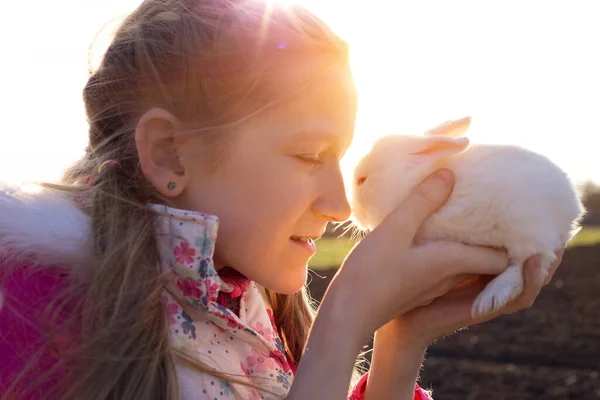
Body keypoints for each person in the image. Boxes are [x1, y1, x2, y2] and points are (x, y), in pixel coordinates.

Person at [0, 1, 565, 399]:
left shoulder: (240, 304)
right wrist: (342, 322)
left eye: (340, 160)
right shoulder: (29, 320)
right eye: (308, 155)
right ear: (171, 154)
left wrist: (399, 335)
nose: (340, 205)